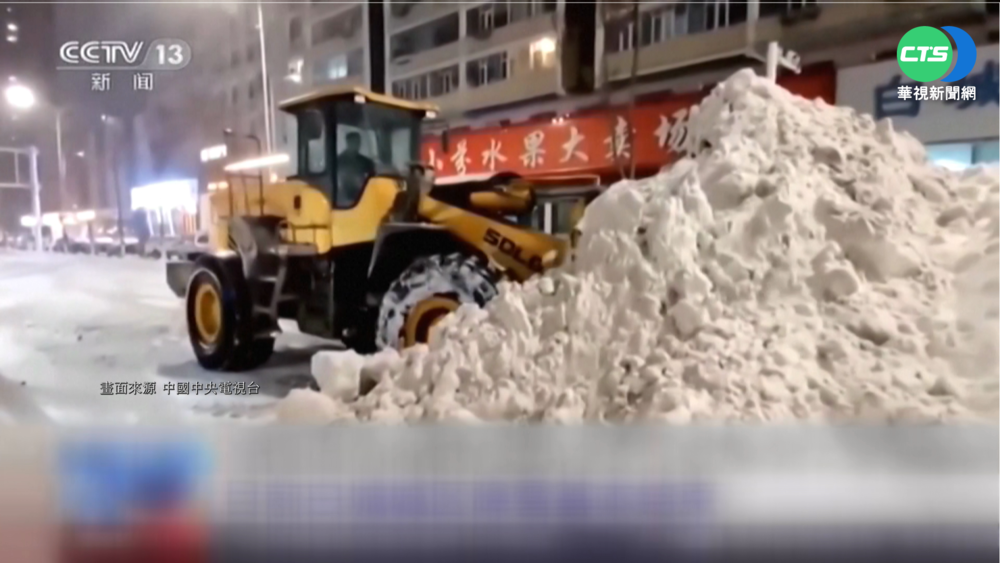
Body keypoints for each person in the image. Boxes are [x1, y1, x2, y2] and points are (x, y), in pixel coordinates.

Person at [336, 131, 375, 205]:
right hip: (343, 196)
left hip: (362, 195)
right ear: (348, 143)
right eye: (354, 142)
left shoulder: (365, 161)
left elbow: (372, 177)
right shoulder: (338, 161)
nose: (357, 145)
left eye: (358, 142)